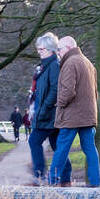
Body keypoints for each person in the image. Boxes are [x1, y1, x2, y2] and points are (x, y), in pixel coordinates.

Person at [49, 36, 100, 187]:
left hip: (72, 116)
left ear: (68, 48)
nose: (58, 53)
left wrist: (58, 104)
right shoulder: (88, 62)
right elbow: (95, 93)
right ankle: (95, 183)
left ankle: (52, 181)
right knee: (90, 149)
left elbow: (67, 91)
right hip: (88, 115)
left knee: (62, 148)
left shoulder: (70, 63)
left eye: (59, 49)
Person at [28, 33, 69, 185]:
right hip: (46, 113)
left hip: (49, 114)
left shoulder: (54, 66)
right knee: (57, 145)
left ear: (51, 49)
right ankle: (65, 178)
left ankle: (39, 175)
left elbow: (55, 90)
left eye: (42, 48)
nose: (39, 50)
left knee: (34, 141)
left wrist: (44, 109)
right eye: (38, 48)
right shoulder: (43, 66)